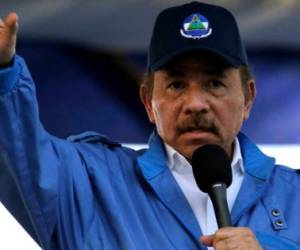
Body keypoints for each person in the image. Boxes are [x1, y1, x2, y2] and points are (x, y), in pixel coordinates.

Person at [0, 2, 299, 250]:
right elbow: (20, 156)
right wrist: (3, 74)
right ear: (148, 102)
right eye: (177, 84)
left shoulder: (294, 195)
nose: (195, 103)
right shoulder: (91, 185)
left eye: (215, 83)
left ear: (248, 99)